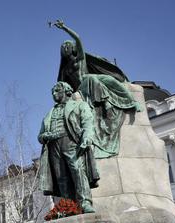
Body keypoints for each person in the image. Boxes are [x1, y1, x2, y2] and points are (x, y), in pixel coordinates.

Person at [53, 20, 141, 159]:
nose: (65, 47)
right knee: (92, 79)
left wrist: (64, 27)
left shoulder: (80, 59)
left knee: (111, 80)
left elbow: (78, 38)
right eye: (63, 46)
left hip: (92, 79)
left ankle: (131, 101)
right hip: (83, 86)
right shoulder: (66, 69)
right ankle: (106, 102)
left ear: (73, 48)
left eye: (67, 45)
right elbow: (64, 86)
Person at [38, 81, 99, 213]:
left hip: (71, 142)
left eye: (57, 91)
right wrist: (45, 136)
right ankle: (69, 206)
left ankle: (85, 202)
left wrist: (86, 138)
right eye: (52, 92)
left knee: (78, 172)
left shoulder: (80, 105)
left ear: (67, 91)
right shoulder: (49, 113)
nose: (54, 94)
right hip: (54, 145)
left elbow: (88, 123)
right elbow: (40, 136)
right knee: (61, 177)